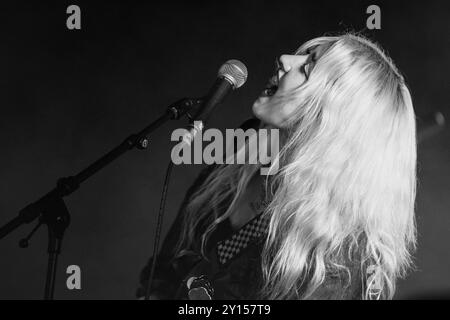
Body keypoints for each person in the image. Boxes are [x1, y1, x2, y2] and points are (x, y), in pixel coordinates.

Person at [137, 33, 417, 300]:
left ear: (333, 116)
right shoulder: (229, 170)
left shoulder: (339, 260)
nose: (284, 59)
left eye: (306, 68)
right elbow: (162, 275)